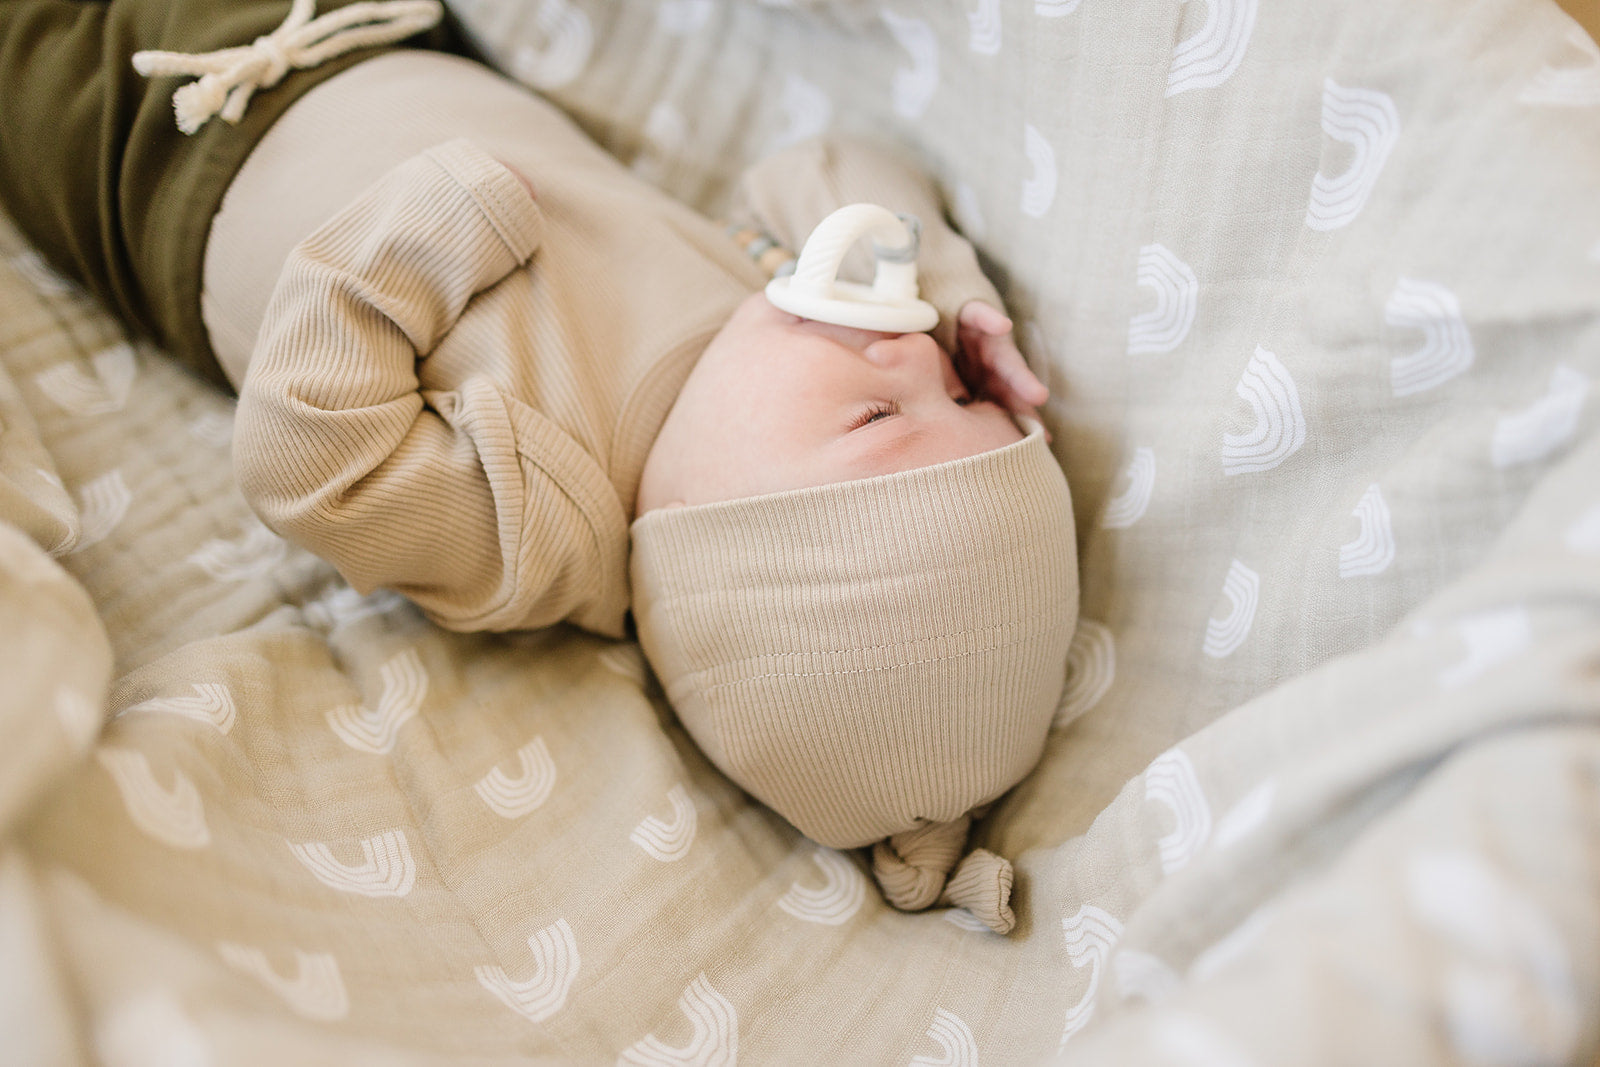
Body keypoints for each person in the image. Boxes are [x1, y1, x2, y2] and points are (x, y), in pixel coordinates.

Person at [0, 0, 1079, 933]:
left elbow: (306, 458)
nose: (912, 354)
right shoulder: (748, 299)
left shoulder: (539, 528)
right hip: (360, 35)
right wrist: (943, 278)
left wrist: (422, 241)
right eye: (965, 395)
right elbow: (826, 170)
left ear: (729, 545)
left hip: (145, 157)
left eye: (880, 415)